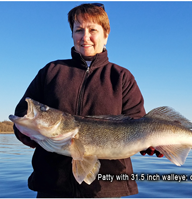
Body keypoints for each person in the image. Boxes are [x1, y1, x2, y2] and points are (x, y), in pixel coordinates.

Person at [14, 3, 162, 198]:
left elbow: (138, 121)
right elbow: (22, 114)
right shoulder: (50, 71)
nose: (85, 37)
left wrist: (151, 144)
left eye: (93, 30)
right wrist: (27, 132)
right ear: (72, 34)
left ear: (106, 35)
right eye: (79, 30)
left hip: (106, 189)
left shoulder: (122, 77)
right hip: (52, 187)